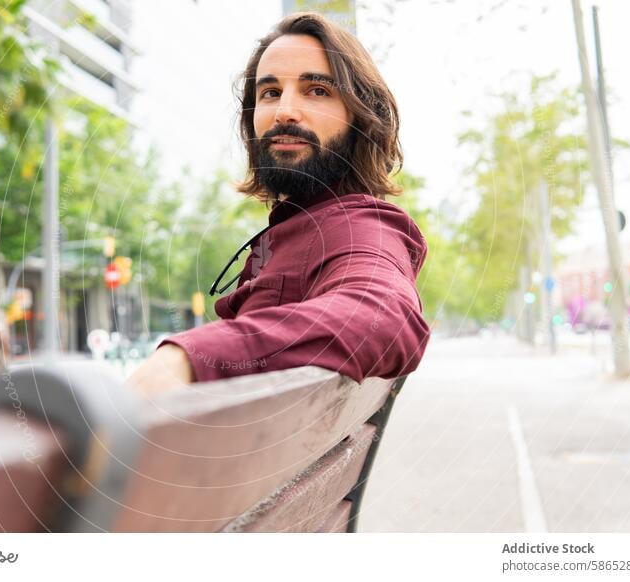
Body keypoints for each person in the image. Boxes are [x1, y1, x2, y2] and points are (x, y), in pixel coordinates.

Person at [129, 12, 430, 394]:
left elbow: (383, 316)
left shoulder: (361, 228)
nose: (284, 110)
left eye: (317, 90)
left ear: (361, 118)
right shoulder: (302, 227)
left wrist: (188, 357)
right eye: (270, 92)